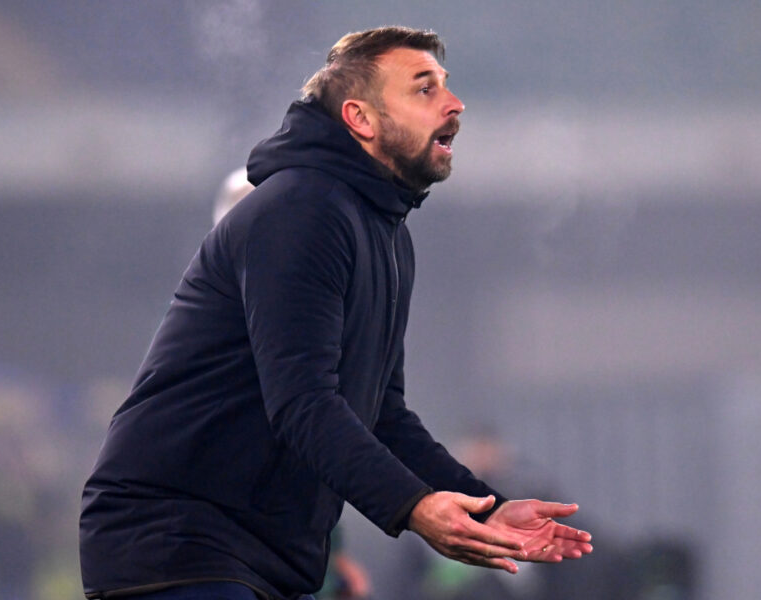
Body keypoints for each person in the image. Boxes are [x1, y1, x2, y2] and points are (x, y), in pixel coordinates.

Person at [79, 26, 592, 600]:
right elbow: (303, 403)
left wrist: (484, 508)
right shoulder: (301, 210)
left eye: (446, 86)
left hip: (256, 557)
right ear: (360, 118)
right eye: (424, 89)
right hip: (177, 543)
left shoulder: (384, 233)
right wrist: (414, 506)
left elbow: (381, 415)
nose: (454, 104)